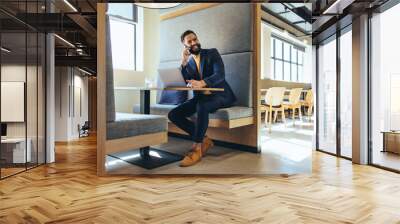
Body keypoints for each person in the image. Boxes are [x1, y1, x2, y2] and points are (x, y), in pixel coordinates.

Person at [168, 30, 237, 167]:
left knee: (202, 106)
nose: (194, 42)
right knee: (174, 114)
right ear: (185, 46)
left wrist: (202, 83)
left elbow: (220, 75)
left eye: (195, 39)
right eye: (189, 42)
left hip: (221, 95)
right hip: (201, 97)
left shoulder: (212, 53)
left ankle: (196, 148)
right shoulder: (188, 63)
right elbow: (184, 80)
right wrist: (183, 61)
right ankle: (204, 140)